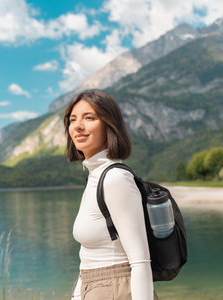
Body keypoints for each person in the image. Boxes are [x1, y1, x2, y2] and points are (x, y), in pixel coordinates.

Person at [64, 90, 157, 300]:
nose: (78, 126)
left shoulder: (115, 178)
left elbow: (140, 261)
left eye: (89, 118)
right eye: (72, 119)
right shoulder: (95, 177)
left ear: (109, 125)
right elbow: (87, 260)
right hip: (94, 288)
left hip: (116, 290)